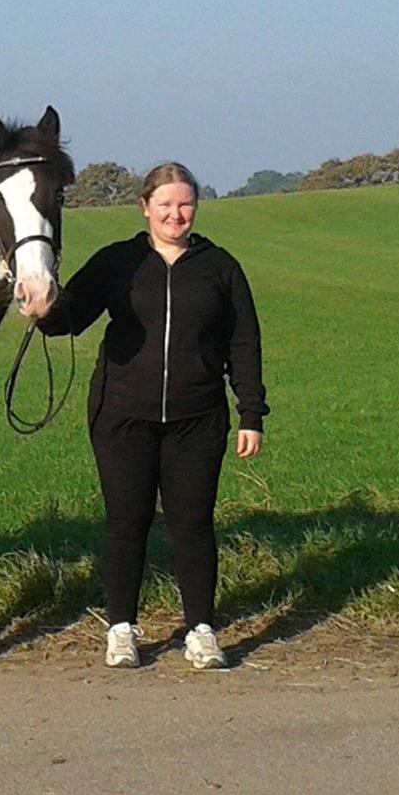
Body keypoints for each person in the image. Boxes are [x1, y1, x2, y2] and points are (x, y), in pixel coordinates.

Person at [37, 162, 268, 669]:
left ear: (196, 208)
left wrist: (250, 412)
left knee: (193, 525)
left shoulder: (220, 268)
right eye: (164, 205)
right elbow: (70, 317)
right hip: (122, 418)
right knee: (126, 523)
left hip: (197, 420)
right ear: (145, 208)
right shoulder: (118, 262)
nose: (175, 214)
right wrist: (45, 309)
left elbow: (243, 342)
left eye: (184, 204)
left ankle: (201, 630)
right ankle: (121, 629)